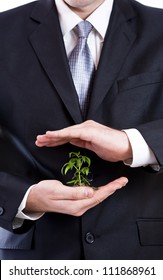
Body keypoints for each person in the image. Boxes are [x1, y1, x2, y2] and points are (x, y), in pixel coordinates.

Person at [0, 0, 163, 260]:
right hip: (35, 256)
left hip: (142, 255)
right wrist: (24, 198)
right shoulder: (4, 30)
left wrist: (134, 143)